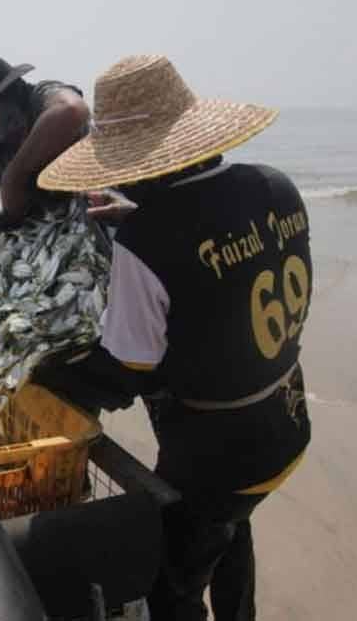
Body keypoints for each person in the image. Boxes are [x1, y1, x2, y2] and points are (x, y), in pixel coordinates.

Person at [36, 54, 312, 621]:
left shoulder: (147, 240)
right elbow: (218, 258)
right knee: (230, 527)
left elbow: (125, 373)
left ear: (139, 163)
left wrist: (45, 372)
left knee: (172, 589)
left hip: (215, 459)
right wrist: (134, 216)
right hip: (285, 425)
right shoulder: (275, 187)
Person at [0, 50, 90, 258]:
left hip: (92, 208)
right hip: (48, 229)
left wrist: (15, 176)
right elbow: (14, 205)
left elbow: (73, 110)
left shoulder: (42, 96)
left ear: (8, 96)